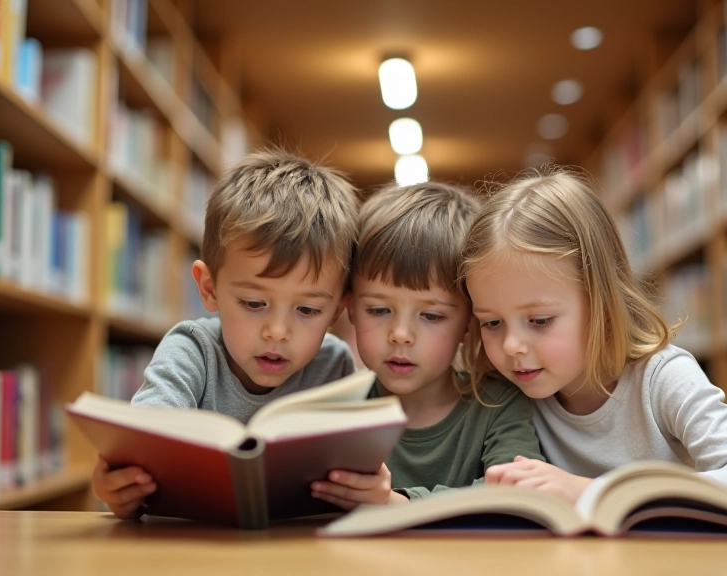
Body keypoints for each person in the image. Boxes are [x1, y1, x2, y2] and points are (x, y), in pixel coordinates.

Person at [462, 168, 727, 506]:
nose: (512, 345)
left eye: (540, 320)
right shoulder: (505, 396)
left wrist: (594, 492)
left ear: (603, 302)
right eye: (492, 323)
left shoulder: (663, 377)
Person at [93, 149, 360, 519]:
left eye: (308, 310)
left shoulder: (334, 366)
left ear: (338, 309)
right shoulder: (190, 350)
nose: (277, 332)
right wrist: (122, 490)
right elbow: (147, 444)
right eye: (253, 303)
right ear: (209, 289)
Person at [310, 182, 544, 509]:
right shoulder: (337, 403)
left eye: (431, 316)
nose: (401, 334)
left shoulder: (497, 405)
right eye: (378, 310)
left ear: (469, 323)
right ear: (350, 308)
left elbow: (521, 494)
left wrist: (397, 504)